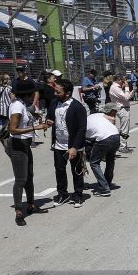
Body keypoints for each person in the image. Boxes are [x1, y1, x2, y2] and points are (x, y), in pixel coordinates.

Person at [6, 79, 50, 225]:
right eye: (34, 93)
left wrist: (36, 119)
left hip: (25, 144)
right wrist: (35, 128)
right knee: (20, 179)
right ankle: (19, 212)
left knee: (29, 176)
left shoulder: (22, 105)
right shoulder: (17, 107)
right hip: (18, 144)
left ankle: (31, 205)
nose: (35, 95)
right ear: (29, 94)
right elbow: (12, 129)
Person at [47, 78, 87, 208]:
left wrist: (75, 147)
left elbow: (82, 129)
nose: (55, 94)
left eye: (58, 92)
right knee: (59, 170)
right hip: (59, 144)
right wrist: (49, 121)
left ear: (68, 93)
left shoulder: (77, 107)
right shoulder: (54, 103)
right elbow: (50, 117)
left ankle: (78, 195)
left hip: (74, 145)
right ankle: (63, 194)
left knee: (77, 171)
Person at [86, 102, 121, 196]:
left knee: (94, 162)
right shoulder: (99, 115)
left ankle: (104, 188)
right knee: (110, 160)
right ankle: (107, 184)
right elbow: (112, 119)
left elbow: (86, 138)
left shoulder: (85, 121)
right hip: (116, 136)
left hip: (104, 138)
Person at [109, 74, 133, 153]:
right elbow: (126, 97)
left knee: (124, 128)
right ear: (118, 80)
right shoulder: (115, 88)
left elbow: (126, 97)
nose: (123, 82)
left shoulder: (116, 87)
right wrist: (126, 87)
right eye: (122, 81)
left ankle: (123, 145)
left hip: (123, 108)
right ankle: (122, 146)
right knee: (124, 129)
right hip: (122, 109)